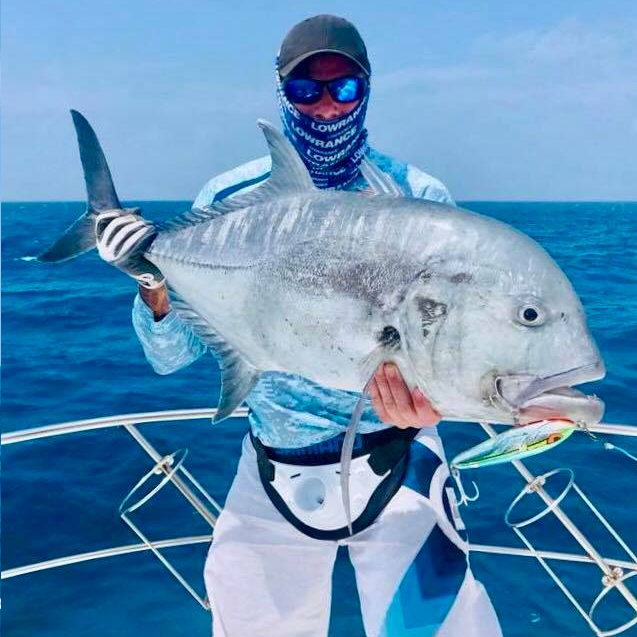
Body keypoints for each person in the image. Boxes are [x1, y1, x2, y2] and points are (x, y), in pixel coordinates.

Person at [97, 14, 502, 637]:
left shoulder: (418, 201)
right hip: (271, 464)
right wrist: (151, 281)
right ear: (281, 91)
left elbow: (455, 346)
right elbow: (169, 357)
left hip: (401, 456)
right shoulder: (230, 201)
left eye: (344, 88)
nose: (326, 107)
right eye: (306, 89)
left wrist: (437, 405)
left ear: (367, 90)